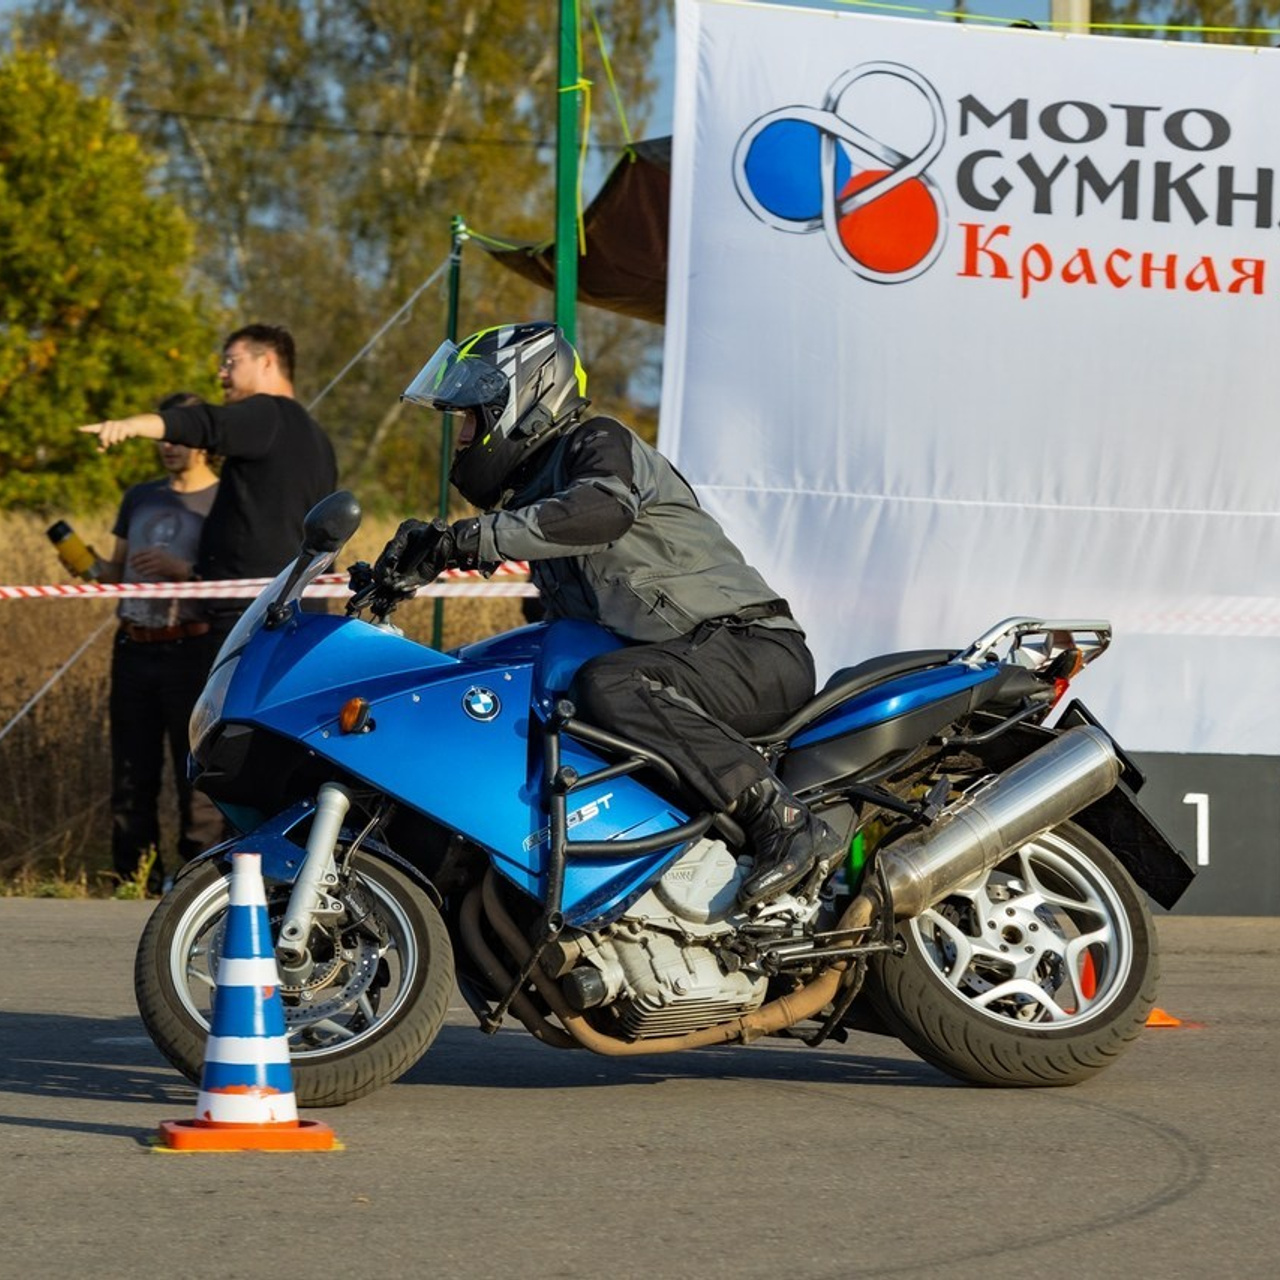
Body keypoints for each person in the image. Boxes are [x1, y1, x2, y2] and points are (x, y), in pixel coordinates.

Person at [374, 322, 844, 908]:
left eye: (472, 417)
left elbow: (600, 512)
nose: (464, 437)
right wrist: (407, 573)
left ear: (523, 400)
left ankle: (785, 820)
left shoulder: (594, 443)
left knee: (608, 683)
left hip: (748, 651)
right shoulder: (531, 498)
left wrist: (467, 540)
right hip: (680, 667)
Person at [79, 324, 338, 635]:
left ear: (267, 361)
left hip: (255, 616)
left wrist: (132, 425)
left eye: (231, 362)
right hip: (297, 613)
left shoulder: (266, 414)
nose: (221, 375)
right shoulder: (317, 437)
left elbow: (207, 424)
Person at [92, 393, 224, 893]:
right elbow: (113, 568)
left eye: (180, 436)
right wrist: (86, 568)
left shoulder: (225, 500)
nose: (169, 446)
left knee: (194, 769)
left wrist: (182, 572)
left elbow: (228, 575)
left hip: (190, 648)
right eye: (163, 436)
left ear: (206, 442)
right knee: (131, 767)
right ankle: (130, 876)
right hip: (132, 645)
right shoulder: (139, 497)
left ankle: (193, 878)